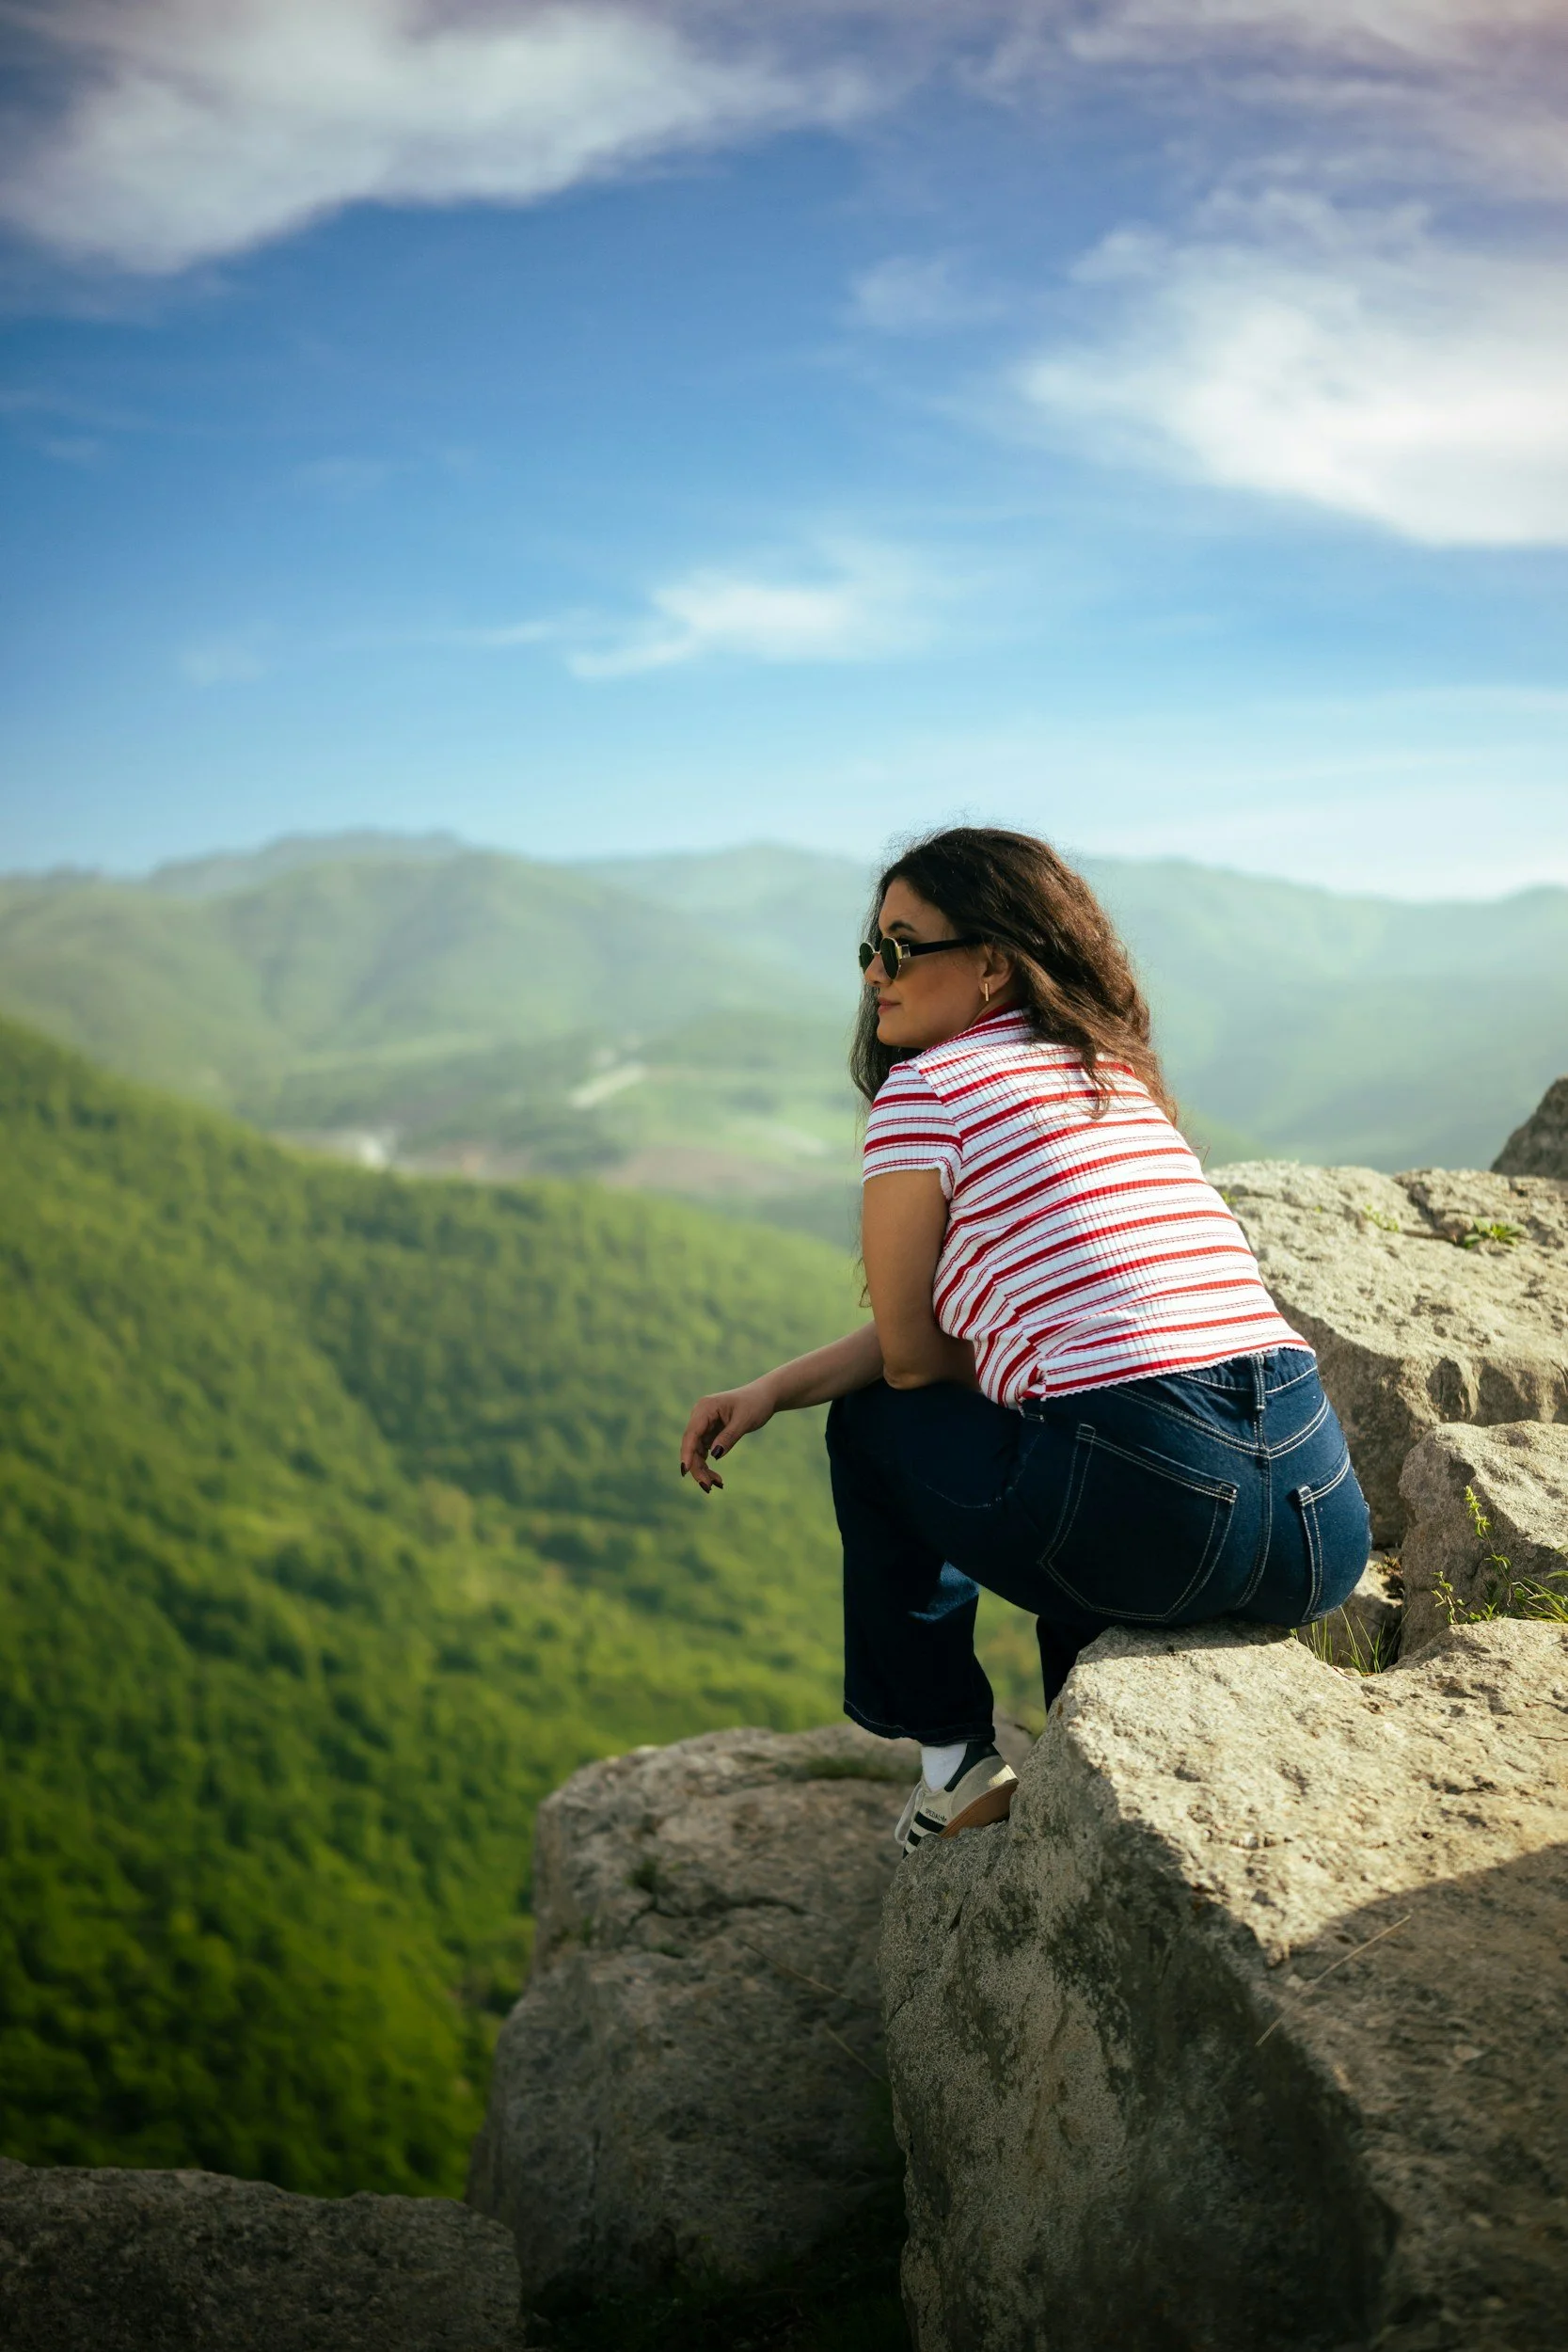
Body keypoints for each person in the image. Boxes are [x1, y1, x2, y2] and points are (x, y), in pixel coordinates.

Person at [678, 827, 1371, 1856]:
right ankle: (1081, 1778)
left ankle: (954, 1762)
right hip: (1319, 1526)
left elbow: (912, 1362)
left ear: (993, 960)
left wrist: (810, 1396)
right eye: (868, 949)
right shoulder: (1109, 1076)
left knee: (879, 1425)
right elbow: (1015, 1337)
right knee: (1061, 1443)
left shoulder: (927, 1090)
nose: (874, 973)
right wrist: (774, 1386)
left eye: (902, 948)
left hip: (1155, 1515)